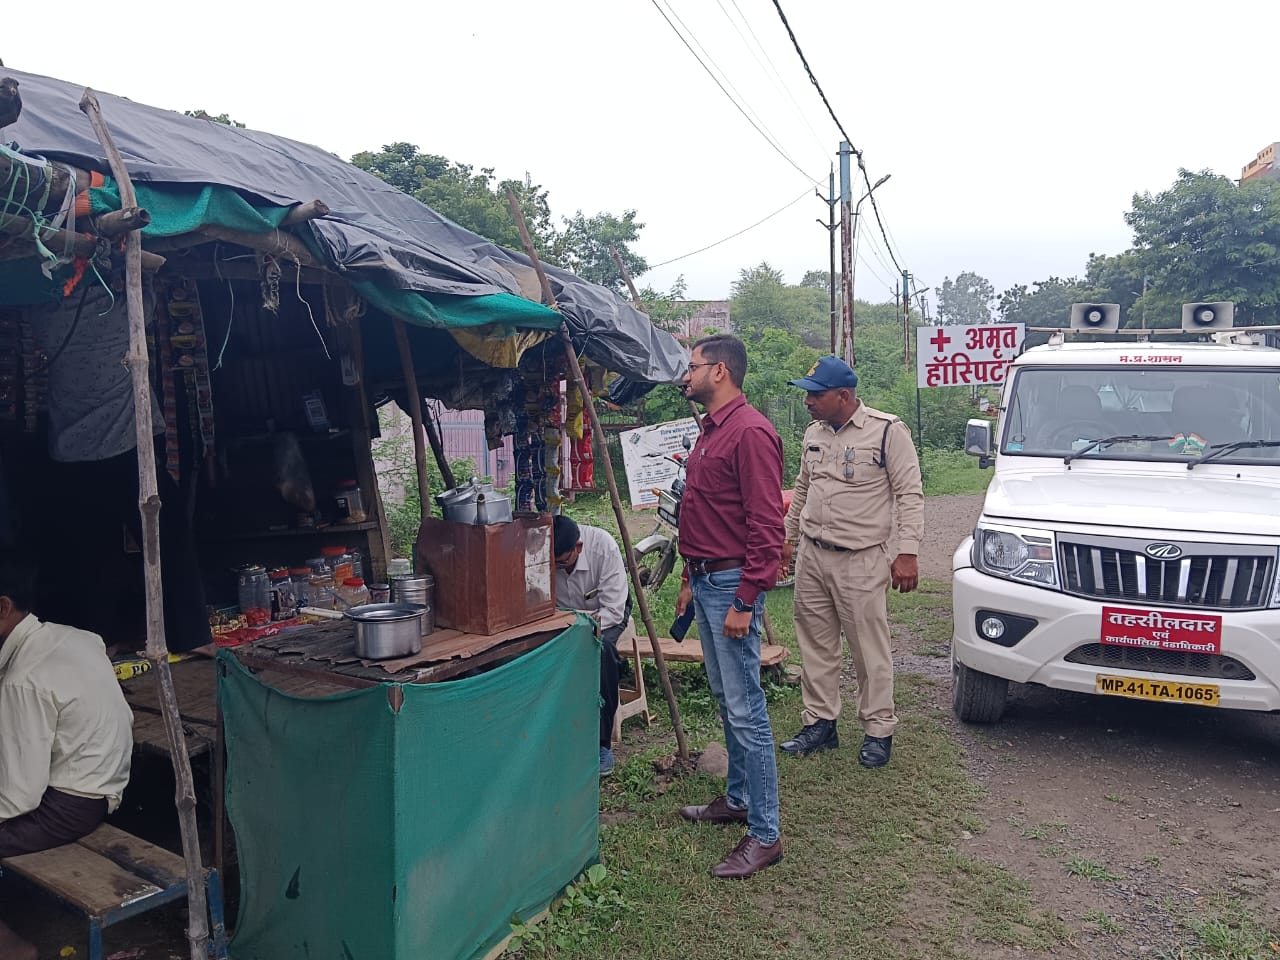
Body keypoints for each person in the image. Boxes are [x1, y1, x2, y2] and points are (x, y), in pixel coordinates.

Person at [674, 334, 786, 880]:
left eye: (692, 366)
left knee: (747, 710)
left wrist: (745, 598)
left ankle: (765, 835)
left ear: (719, 372)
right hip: (706, 580)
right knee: (725, 697)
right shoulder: (710, 431)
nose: (685, 375)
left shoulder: (751, 433)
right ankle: (738, 799)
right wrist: (689, 579)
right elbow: (707, 514)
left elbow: (767, 527)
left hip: (731, 587)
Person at [779, 356, 924, 767]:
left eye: (816, 394)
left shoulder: (886, 432)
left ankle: (878, 729)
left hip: (860, 558)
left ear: (843, 396)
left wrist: (908, 551)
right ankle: (820, 723)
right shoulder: (814, 432)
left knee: (868, 651)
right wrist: (787, 539)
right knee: (816, 645)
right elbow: (802, 489)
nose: (808, 401)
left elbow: (909, 494)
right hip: (813, 555)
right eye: (807, 393)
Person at [0, 559, 134, 960]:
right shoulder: (75, 637)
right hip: (106, 778)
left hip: (71, 805)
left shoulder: (23, 680)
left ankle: (13, 949)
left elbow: (17, 799)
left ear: (3, 607)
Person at [553, 514, 633, 777]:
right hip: (561, 618)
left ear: (578, 548)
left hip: (606, 615)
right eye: (554, 566)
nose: (560, 570)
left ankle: (601, 744)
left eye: (564, 563)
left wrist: (582, 624)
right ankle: (553, 734)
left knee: (603, 654)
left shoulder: (603, 547)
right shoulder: (545, 553)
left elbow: (613, 610)